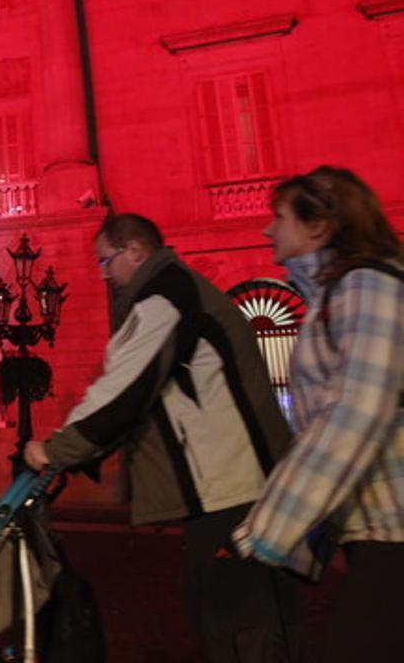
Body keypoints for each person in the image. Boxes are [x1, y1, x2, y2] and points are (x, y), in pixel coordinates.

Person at [23, 213, 304, 663]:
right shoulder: (173, 290)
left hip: (229, 489)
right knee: (236, 618)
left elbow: (127, 389)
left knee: (238, 624)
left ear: (135, 251)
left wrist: (57, 450)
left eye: (105, 261)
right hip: (228, 487)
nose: (104, 274)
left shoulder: (164, 296)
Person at [234, 167, 404, 662]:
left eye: (279, 216)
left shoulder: (367, 286)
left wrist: (270, 527)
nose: (268, 229)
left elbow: (357, 410)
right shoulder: (338, 294)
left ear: (318, 225)